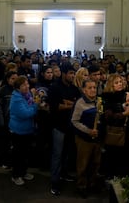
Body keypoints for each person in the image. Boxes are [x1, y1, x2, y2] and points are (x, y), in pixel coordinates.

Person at [48, 62, 81, 196]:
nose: (73, 76)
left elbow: (77, 103)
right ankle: (55, 183)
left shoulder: (73, 88)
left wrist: (67, 103)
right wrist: (69, 104)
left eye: (74, 73)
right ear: (63, 74)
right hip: (58, 126)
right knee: (57, 154)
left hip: (70, 125)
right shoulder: (55, 87)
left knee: (66, 153)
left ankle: (64, 173)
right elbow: (56, 107)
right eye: (71, 74)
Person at [71, 79, 102, 198]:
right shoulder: (80, 103)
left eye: (94, 87)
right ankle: (81, 186)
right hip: (84, 139)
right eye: (90, 88)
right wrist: (88, 131)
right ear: (84, 90)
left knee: (95, 163)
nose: (93, 90)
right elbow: (74, 121)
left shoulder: (98, 101)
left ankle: (92, 183)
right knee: (83, 164)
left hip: (97, 138)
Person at [9, 75, 38, 186]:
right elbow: (26, 113)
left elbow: (29, 107)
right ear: (17, 87)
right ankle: (16, 175)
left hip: (27, 129)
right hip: (18, 131)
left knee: (25, 153)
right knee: (18, 154)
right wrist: (35, 105)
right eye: (23, 85)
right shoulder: (16, 98)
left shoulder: (26, 94)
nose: (27, 86)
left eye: (27, 84)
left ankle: (23, 172)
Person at [0, 71, 18, 168]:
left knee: (15, 143)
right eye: (12, 78)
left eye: (16, 78)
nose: (15, 80)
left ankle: (14, 161)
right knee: (6, 143)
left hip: (17, 121)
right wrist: (1, 122)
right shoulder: (3, 90)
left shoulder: (20, 90)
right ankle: (5, 161)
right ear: (8, 79)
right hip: (6, 120)